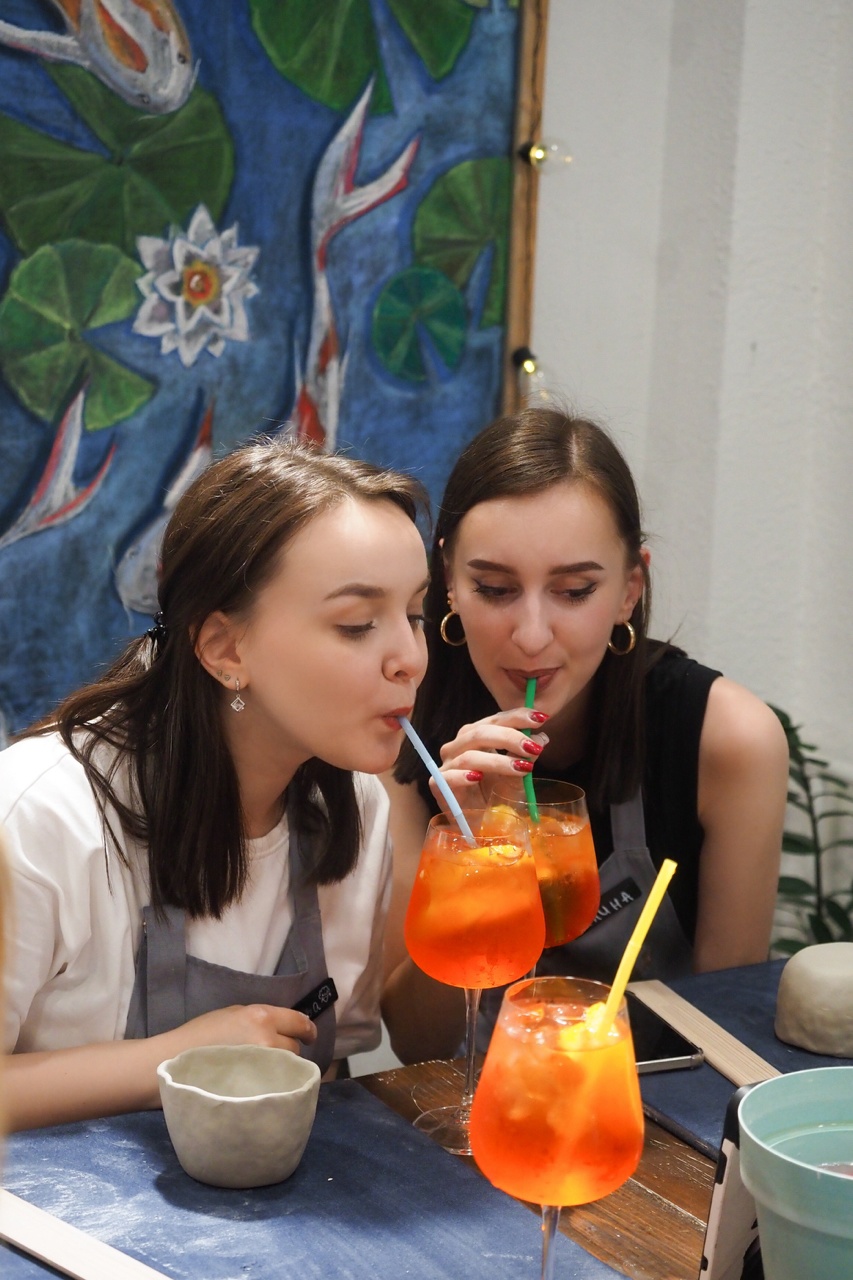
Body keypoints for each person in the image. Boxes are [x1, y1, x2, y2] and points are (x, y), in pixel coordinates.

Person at [1, 438, 430, 1130]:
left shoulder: (352, 804)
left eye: (415, 615)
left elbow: (337, 1058)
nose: (409, 658)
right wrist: (172, 1060)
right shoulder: (39, 816)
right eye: (357, 625)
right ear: (225, 649)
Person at [382, 407, 788, 1064]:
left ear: (629, 589)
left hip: (658, 1104)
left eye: (573, 591)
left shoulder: (726, 741)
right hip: (485, 1104)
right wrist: (470, 851)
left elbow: (724, 1042)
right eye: (494, 588)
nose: (531, 635)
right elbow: (415, 1042)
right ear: (449, 583)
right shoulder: (412, 739)